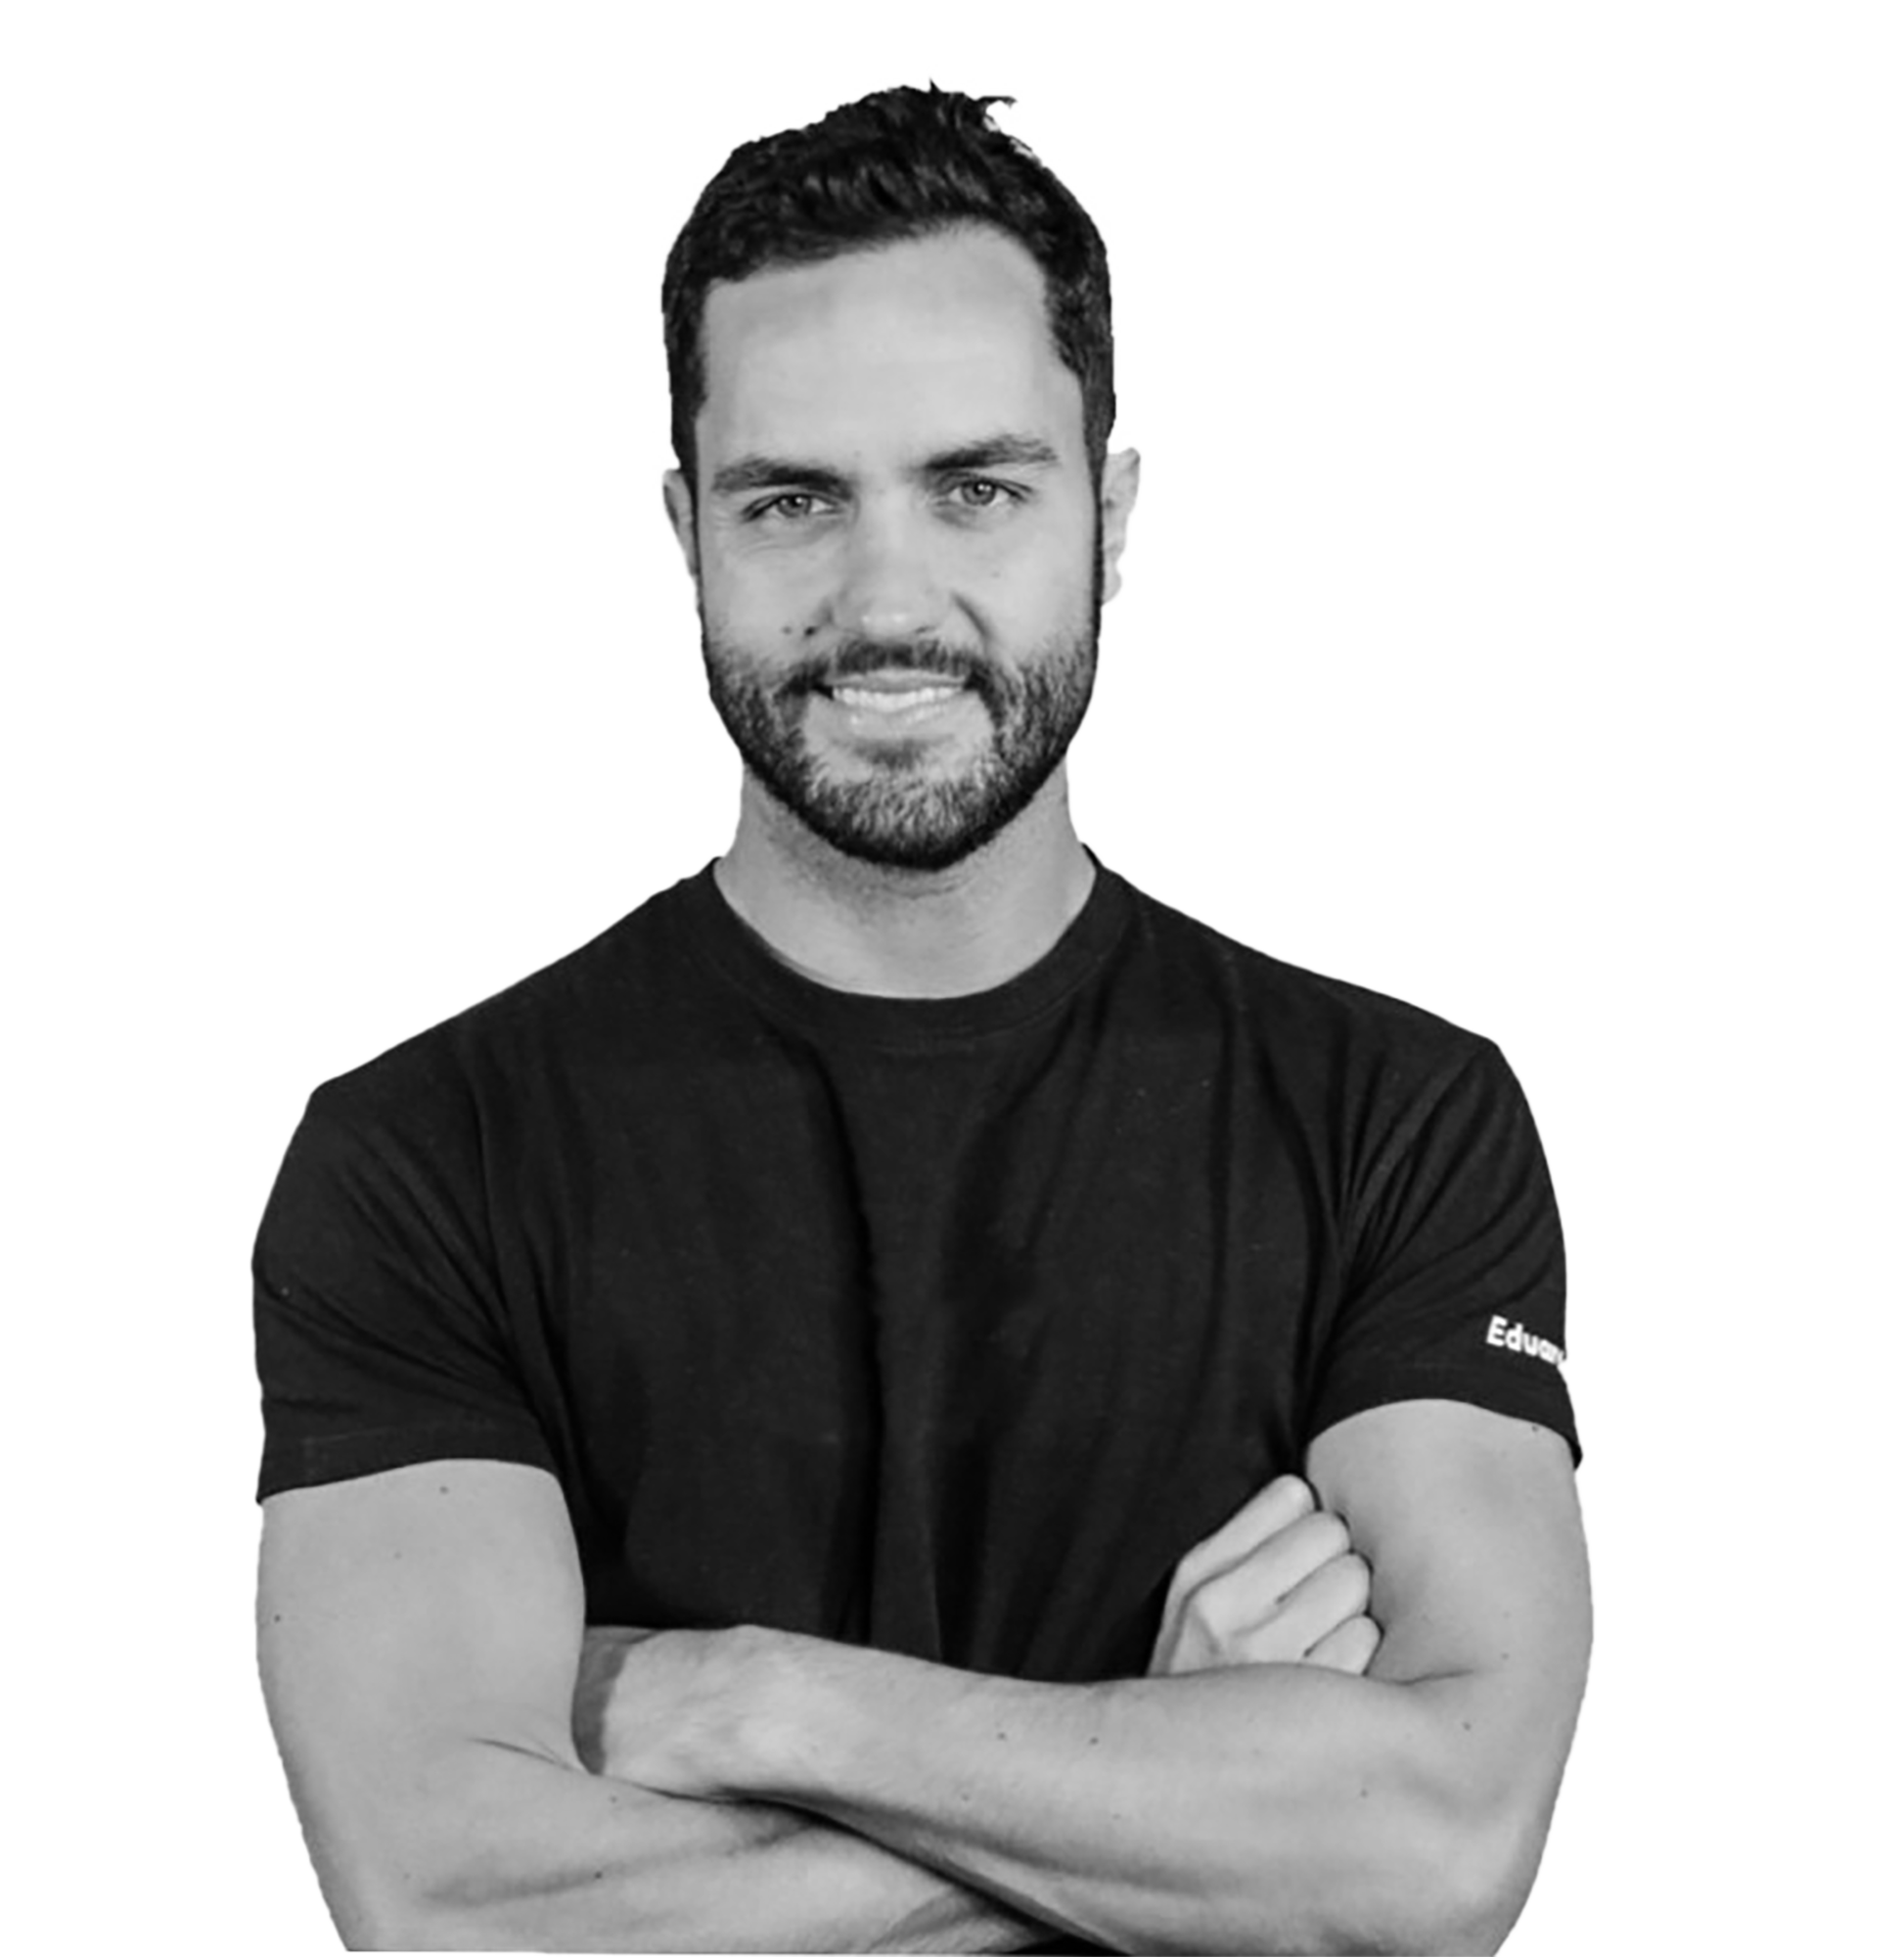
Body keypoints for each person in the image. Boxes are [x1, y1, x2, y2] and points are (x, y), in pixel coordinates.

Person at [251, 82, 1590, 1955]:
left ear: (1110, 514)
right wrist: (1176, 1785)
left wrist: (753, 1703)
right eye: (793, 501)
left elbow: (1434, 1854)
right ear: (684, 530)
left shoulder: (1397, 1117)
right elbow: (463, 1918)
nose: (890, 599)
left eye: (978, 487)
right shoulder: (424, 1159)